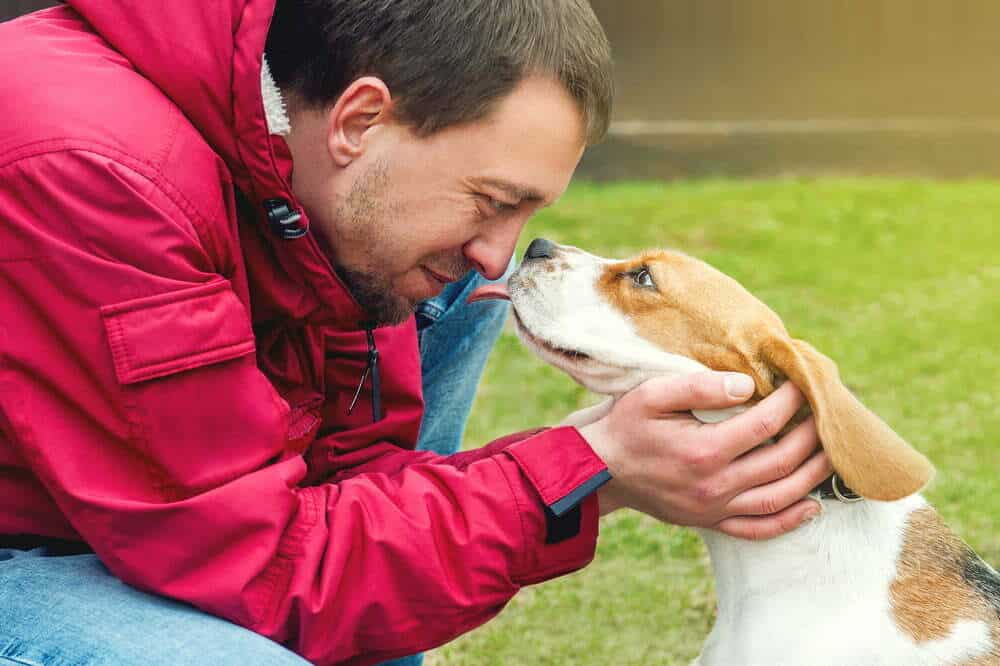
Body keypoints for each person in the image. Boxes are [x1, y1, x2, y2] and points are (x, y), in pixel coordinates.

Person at [0, 1, 832, 665]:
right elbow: (264, 564)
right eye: (491, 200)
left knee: (449, 278)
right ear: (360, 119)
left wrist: (589, 466)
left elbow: (348, 486)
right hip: (36, 549)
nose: (501, 251)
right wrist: (592, 470)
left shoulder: (321, 179)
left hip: (152, 523)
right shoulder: (92, 176)